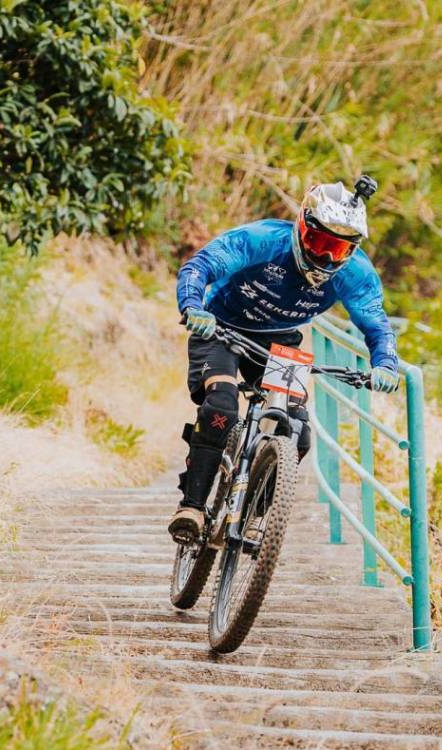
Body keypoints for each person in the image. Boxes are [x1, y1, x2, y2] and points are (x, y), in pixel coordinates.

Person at [168, 176, 400, 543]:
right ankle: (192, 508)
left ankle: (250, 515)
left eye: (338, 250)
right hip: (221, 328)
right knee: (222, 407)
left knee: (298, 431)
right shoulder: (263, 240)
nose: (325, 256)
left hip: (280, 340)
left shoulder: (355, 274)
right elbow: (201, 266)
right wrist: (193, 306)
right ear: (302, 225)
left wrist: (386, 363)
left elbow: (376, 323)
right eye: (319, 242)